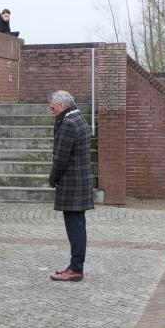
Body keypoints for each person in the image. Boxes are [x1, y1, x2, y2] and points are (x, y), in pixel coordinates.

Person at [48, 90, 94, 282]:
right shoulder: (78, 119)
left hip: (72, 185)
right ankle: (75, 266)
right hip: (80, 183)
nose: (51, 111)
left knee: (75, 228)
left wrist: (52, 179)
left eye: (52, 107)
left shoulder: (68, 124)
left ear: (62, 105)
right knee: (78, 226)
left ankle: (76, 269)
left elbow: (61, 158)